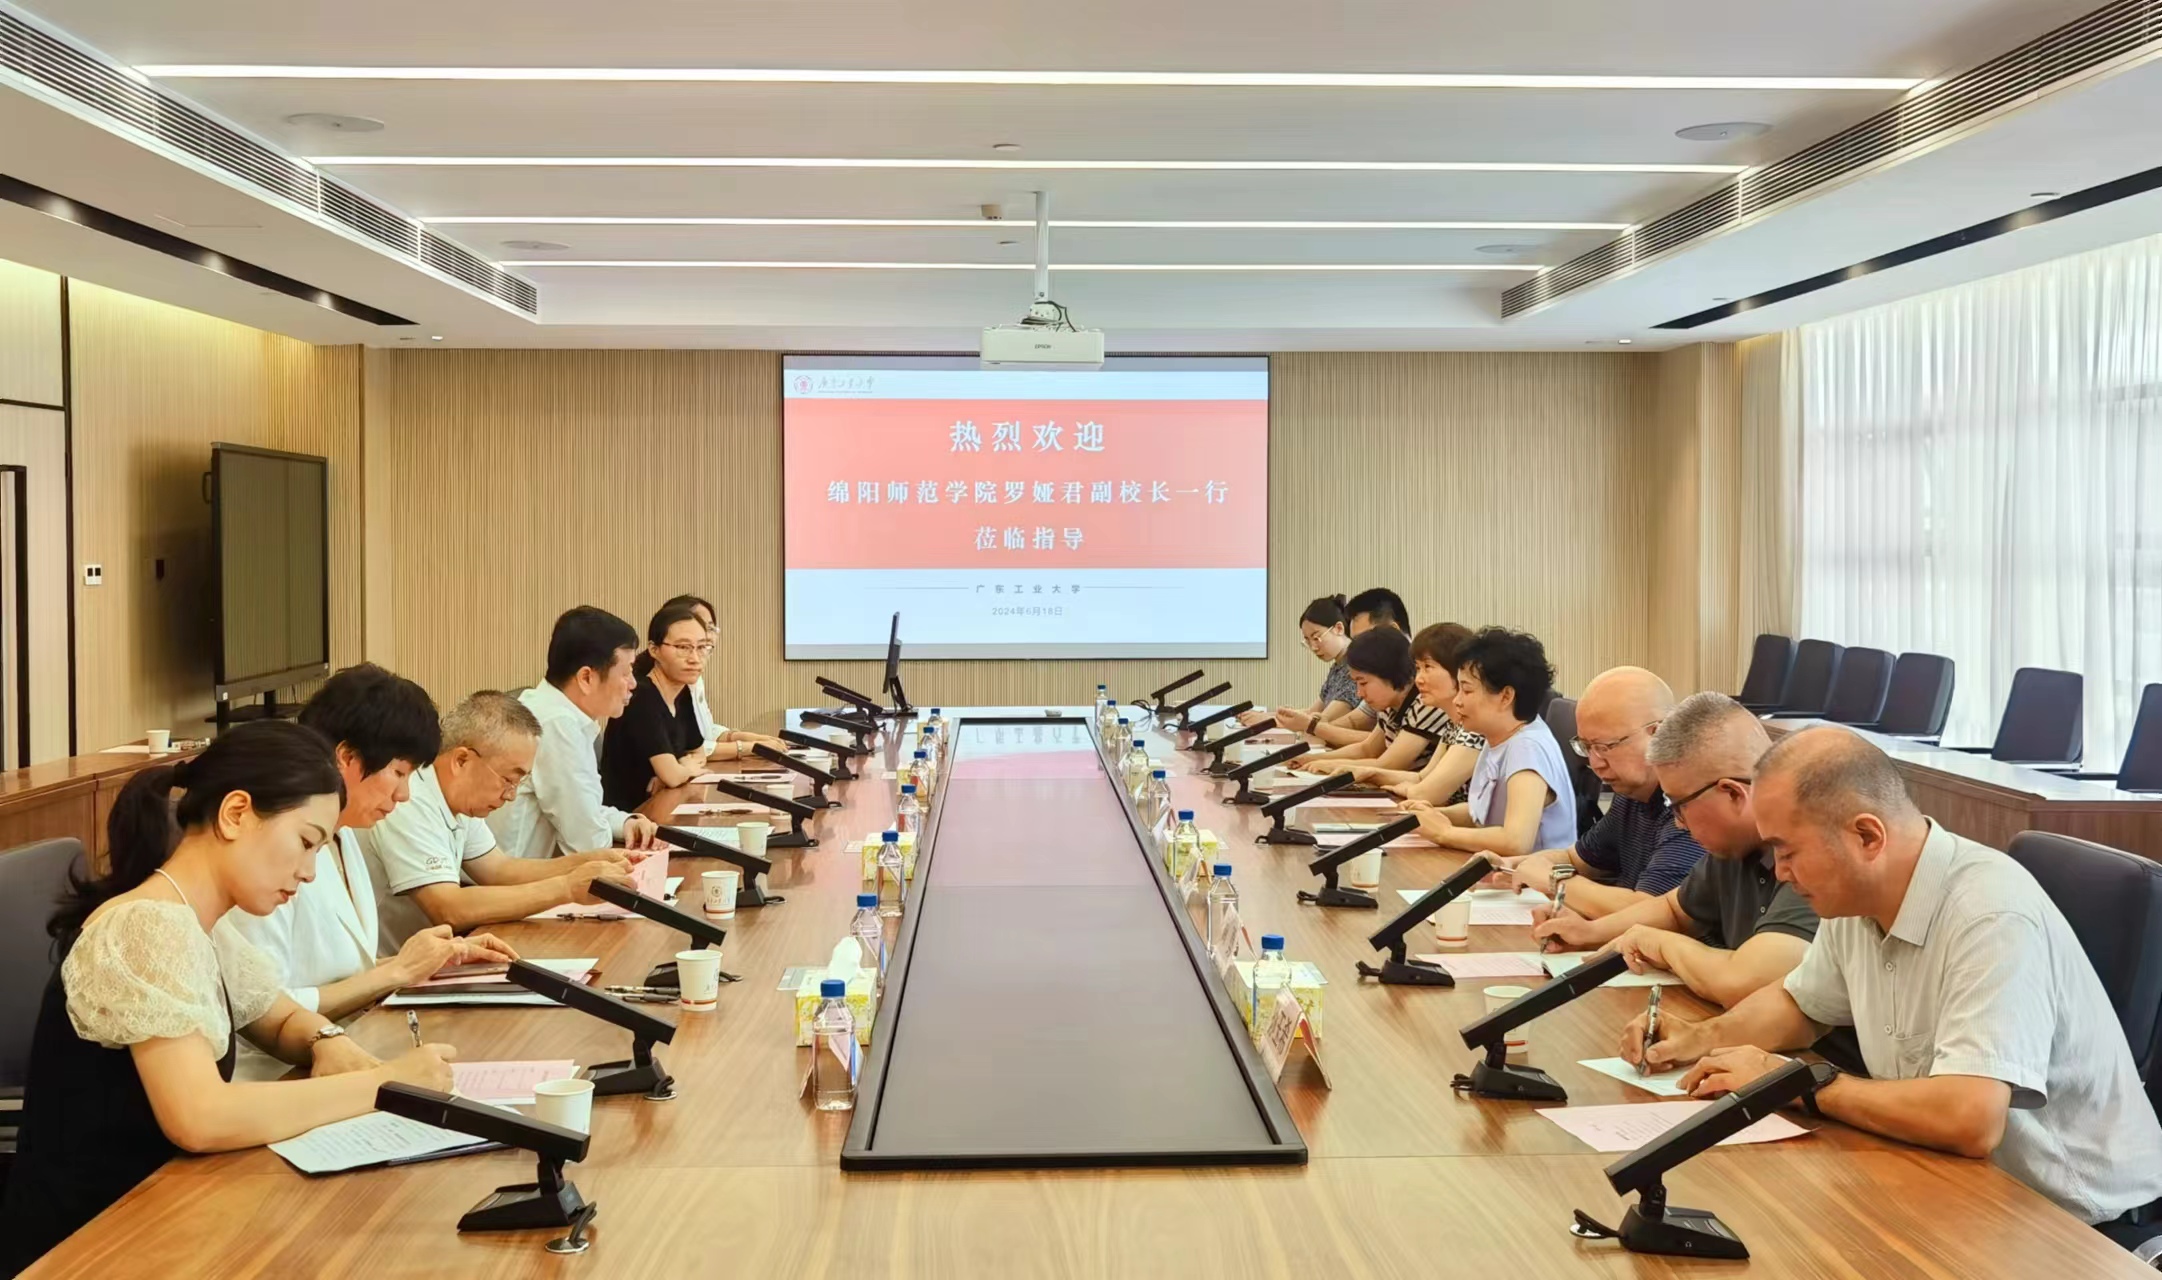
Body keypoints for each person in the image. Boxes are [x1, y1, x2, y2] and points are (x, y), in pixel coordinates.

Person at [1626, 727, 2162, 1238]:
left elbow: (1970, 1118)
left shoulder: (1989, 914)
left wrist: (1800, 1084)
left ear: (1866, 836)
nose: (1781, 873)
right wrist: (1700, 1038)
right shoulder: (1855, 898)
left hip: (2077, 1222)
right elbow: (1800, 1004)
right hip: (1956, 1183)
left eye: (1788, 851)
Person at [0, 722, 456, 1273]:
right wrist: (384, 1084)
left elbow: (279, 1018)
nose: (309, 872)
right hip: (94, 1245)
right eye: (305, 842)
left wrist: (326, 1040)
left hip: (166, 1210)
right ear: (236, 814)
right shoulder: (147, 926)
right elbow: (201, 1118)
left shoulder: (197, 920)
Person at [220, 666, 515, 1059]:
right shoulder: (269, 849)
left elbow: (344, 971)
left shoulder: (344, 834)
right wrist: (395, 971)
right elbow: (264, 1007)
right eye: (399, 773)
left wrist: (436, 959)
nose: (404, 794)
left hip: (357, 1040)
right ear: (347, 758)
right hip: (284, 1069)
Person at [1531, 692, 1816, 1010]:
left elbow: (1743, 981)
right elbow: (1675, 911)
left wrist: (1660, 944)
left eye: (1679, 805)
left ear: (1733, 794)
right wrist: (1589, 931)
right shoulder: (1734, 844)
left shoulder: (1808, 853)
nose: (1678, 822)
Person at [360, 691, 639, 952]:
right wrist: (567, 888)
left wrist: (588, 863)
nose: (511, 795)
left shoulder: (458, 798)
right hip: (388, 972)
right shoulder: (410, 799)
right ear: (462, 760)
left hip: (432, 958)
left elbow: (499, 869)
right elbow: (449, 908)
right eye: (508, 779)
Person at [1504, 668, 1705, 918]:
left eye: (1605, 747)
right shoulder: (1631, 793)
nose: (1595, 763)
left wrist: (1553, 880)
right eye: (1587, 747)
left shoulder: (1690, 806)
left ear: (1658, 734)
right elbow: (1577, 859)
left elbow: (1652, 912)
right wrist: (1519, 865)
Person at [490, 605, 662, 860]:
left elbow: (583, 810)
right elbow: (588, 842)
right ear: (586, 678)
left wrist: (625, 822)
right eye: (626, 672)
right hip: (513, 879)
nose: (633, 684)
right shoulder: (556, 724)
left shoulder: (551, 710)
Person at [1401, 627, 1576, 858]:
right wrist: (1435, 816)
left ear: (1506, 696)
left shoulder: (1527, 747)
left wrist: (1444, 832)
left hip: (1533, 877)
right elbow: (1482, 814)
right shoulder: (1498, 736)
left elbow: (1516, 842)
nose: (1457, 700)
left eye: (1467, 690)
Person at [633, 593, 784, 760]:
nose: (707, 636)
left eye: (710, 628)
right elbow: (680, 751)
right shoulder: (645, 692)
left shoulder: (689, 680)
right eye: (683, 646)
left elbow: (701, 733)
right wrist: (747, 747)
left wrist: (741, 737)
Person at [1351, 622, 1483, 806]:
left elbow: (1427, 792)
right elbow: (1423, 777)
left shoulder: (1475, 728)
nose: (1419, 679)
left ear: (1459, 671)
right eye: (1418, 668)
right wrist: (1370, 774)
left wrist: (1408, 789)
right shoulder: (1455, 724)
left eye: (1428, 667)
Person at [602, 603, 716, 811]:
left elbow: (699, 755)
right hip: (630, 816)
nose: (694, 658)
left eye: (702, 647)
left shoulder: (682, 692)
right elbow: (672, 776)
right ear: (654, 650)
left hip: (664, 805)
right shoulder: (641, 696)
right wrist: (678, 770)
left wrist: (678, 770)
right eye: (683, 647)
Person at [1298, 627, 1451, 778]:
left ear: (1390, 672)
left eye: (1363, 683)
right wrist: (1309, 759)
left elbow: (1389, 764)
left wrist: (1331, 765)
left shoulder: (1425, 704)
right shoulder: (1389, 705)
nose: (1359, 693)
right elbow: (1367, 749)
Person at [1243, 594, 1358, 734]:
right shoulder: (1337, 667)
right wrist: (1268, 716)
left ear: (1339, 628)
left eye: (1316, 638)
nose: (1313, 647)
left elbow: (1321, 721)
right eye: (1308, 641)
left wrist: (1269, 721)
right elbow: (1312, 712)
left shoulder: (1356, 666)